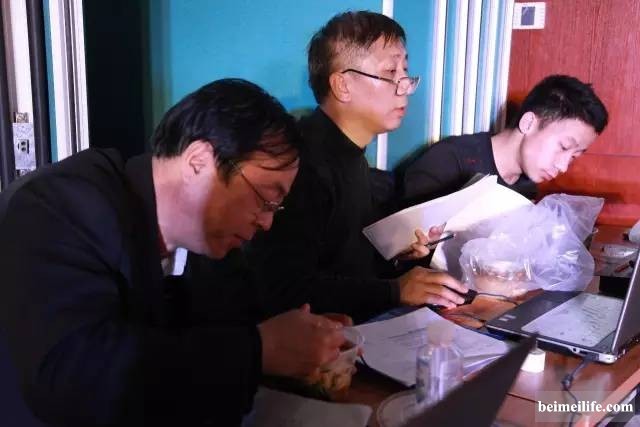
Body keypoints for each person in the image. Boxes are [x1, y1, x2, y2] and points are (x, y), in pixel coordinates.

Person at [0, 79, 347, 427]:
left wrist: (302, 342)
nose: (267, 222)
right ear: (198, 161)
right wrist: (261, 349)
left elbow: (231, 330)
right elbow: (72, 379)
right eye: (265, 198)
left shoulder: (211, 246)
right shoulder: (59, 206)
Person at [245, 11, 467, 325]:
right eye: (390, 72)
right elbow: (286, 289)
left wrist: (395, 257)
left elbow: (343, 266)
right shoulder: (300, 164)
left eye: (405, 71)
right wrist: (394, 290)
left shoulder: (352, 154)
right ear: (342, 85)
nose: (404, 87)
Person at [401, 75, 609, 205]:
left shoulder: (526, 186)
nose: (563, 166)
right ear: (528, 123)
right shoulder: (449, 161)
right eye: (564, 147)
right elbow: (401, 243)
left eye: (573, 156)